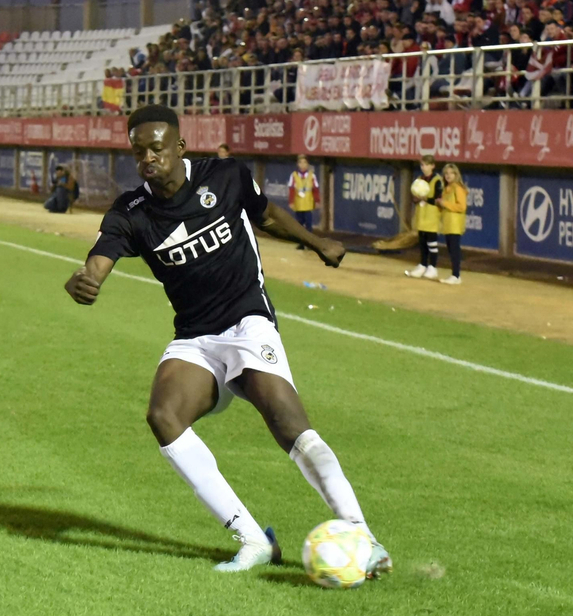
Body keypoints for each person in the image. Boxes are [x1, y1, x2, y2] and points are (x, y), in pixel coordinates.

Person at [62, 105, 392, 577]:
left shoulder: (226, 176)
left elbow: (269, 215)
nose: (148, 158)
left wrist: (317, 242)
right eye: (139, 151)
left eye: (157, 147)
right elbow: (99, 258)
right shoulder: (132, 211)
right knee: (164, 415)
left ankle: (364, 537)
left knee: (288, 423)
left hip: (248, 322)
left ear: (179, 146)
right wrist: (84, 280)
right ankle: (253, 539)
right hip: (195, 337)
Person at [405, 155, 441, 279]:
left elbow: (438, 199)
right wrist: (415, 199)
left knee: (432, 242)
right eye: (422, 165)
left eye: (426, 165)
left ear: (432, 166)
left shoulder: (437, 180)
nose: (424, 167)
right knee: (422, 242)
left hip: (432, 215)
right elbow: (414, 195)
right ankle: (423, 264)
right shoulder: (419, 179)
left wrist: (425, 198)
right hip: (421, 215)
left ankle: (433, 267)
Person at [436, 164, 467, 285]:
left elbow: (462, 206)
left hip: (455, 224)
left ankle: (456, 275)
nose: (448, 176)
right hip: (448, 224)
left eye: (451, 173)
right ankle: (454, 274)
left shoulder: (458, 188)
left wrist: (445, 203)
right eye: (446, 173)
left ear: (456, 175)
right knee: (451, 249)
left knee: (454, 250)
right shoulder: (446, 189)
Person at [287, 154, 319, 247]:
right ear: (298, 164)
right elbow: (291, 190)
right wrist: (291, 202)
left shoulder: (312, 176)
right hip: (298, 204)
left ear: (308, 164)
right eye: (300, 162)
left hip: (308, 204)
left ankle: (310, 243)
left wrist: (317, 201)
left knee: (308, 225)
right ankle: (301, 243)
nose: (302, 164)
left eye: (305, 162)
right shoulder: (293, 176)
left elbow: (316, 189)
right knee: (299, 225)